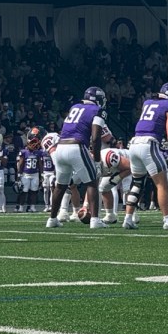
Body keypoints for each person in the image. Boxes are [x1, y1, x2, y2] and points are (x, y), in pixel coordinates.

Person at [123, 82, 168, 230]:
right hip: (149, 144)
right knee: (162, 183)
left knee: (137, 183)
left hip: (134, 143)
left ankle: (128, 218)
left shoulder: (148, 102)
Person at [47, 86, 109, 229]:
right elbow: (96, 138)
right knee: (92, 182)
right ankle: (95, 220)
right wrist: (97, 160)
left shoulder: (75, 107)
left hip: (61, 146)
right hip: (76, 146)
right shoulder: (98, 110)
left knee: (60, 185)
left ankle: (52, 219)